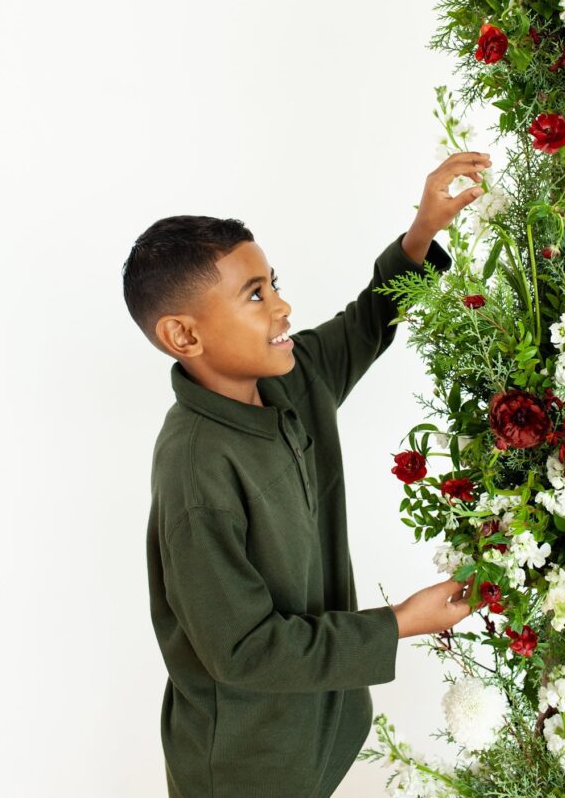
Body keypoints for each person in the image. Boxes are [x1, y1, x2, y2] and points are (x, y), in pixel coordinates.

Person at [122, 150, 493, 798]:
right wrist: (400, 622)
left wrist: (422, 231)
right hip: (247, 770)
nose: (283, 306)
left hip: (319, 737)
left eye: (274, 284)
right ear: (184, 336)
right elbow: (244, 648)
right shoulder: (195, 471)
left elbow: (367, 323)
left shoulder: (289, 379)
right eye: (255, 295)